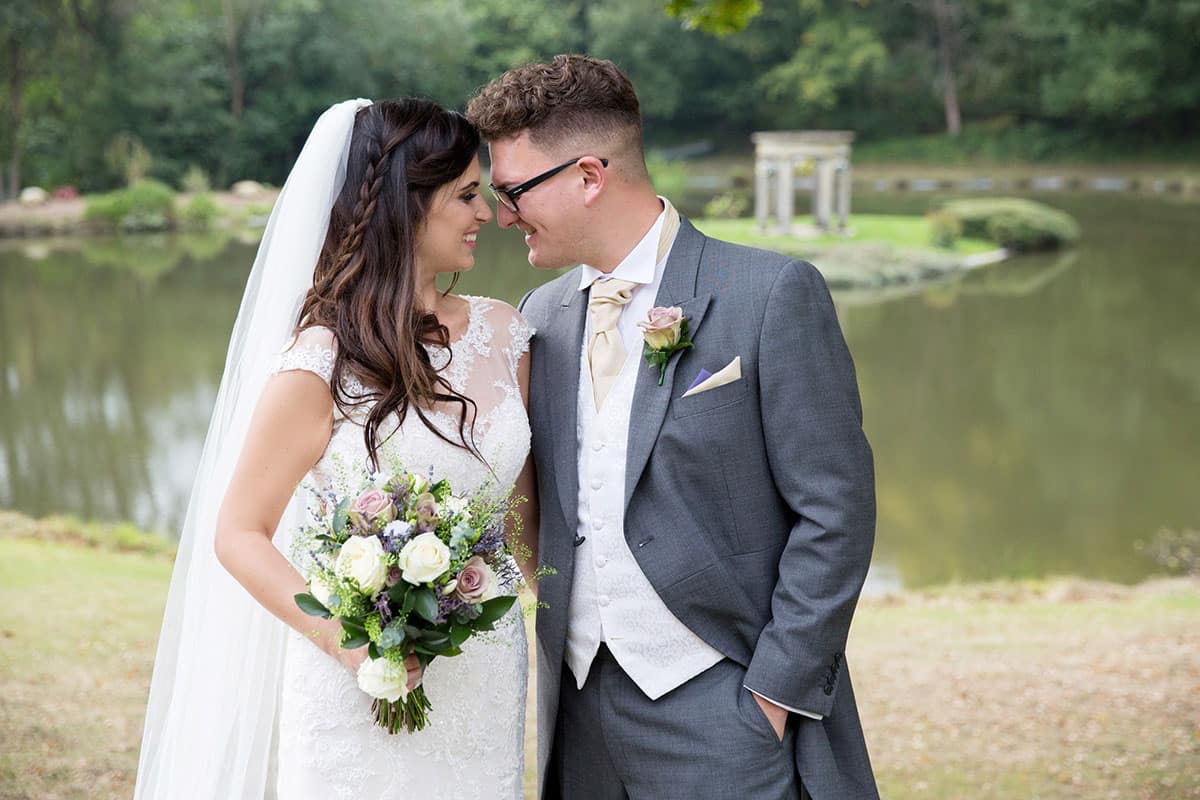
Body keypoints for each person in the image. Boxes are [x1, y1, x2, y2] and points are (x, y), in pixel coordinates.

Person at [468, 55, 878, 800]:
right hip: (579, 711)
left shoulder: (770, 294)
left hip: (726, 711)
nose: (502, 216)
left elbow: (836, 511)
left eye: (514, 192)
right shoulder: (539, 317)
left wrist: (770, 701)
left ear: (589, 176)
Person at [135, 98, 537, 799]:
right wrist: (346, 642)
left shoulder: (508, 335)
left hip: (486, 673)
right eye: (468, 195)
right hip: (357, 684)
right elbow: (239, 533)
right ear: (407, 206)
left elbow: (522, 525)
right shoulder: (321, 359)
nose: (487, 215)